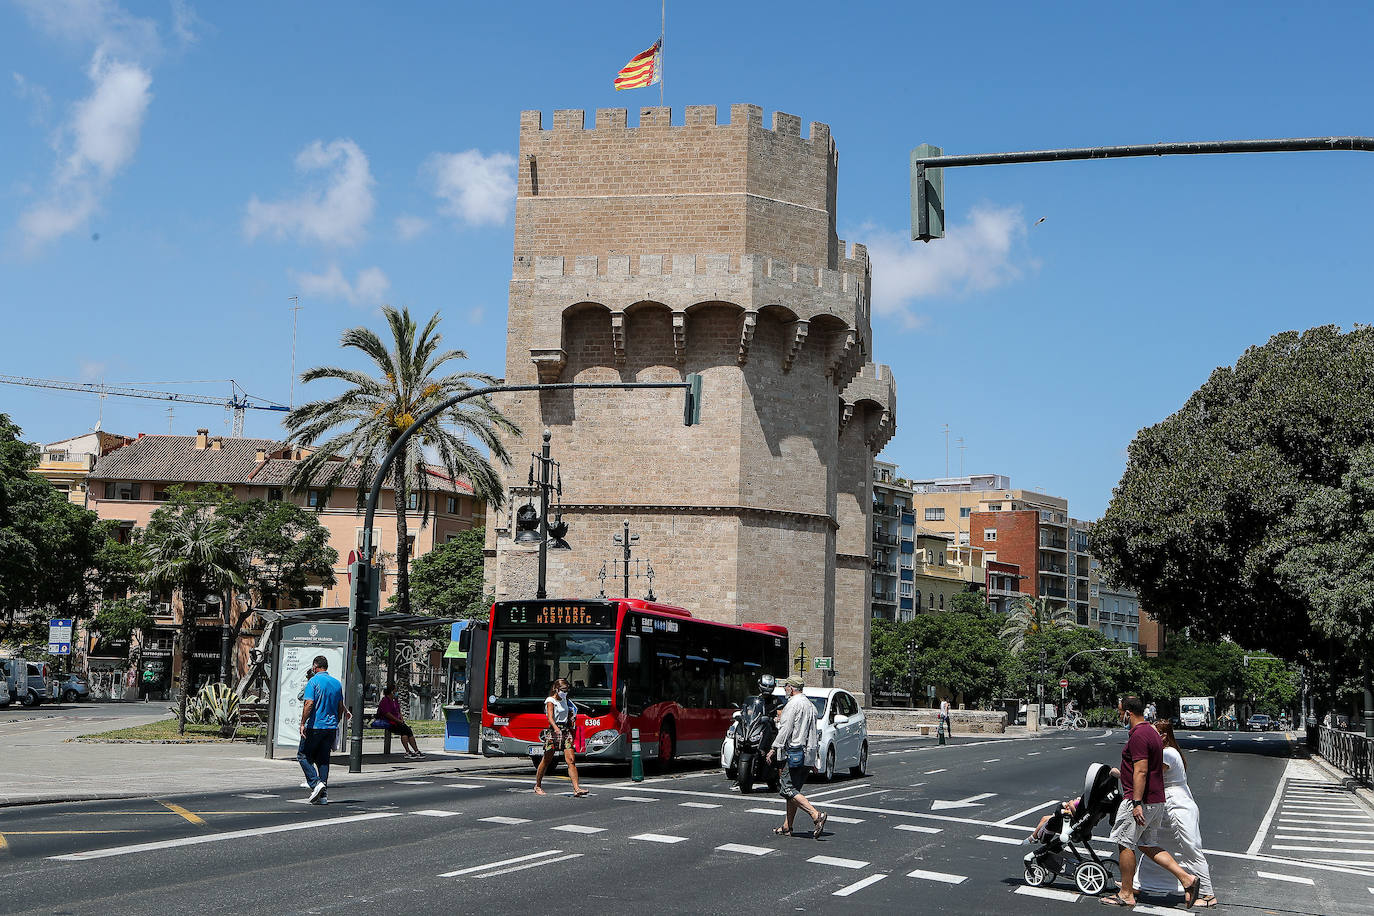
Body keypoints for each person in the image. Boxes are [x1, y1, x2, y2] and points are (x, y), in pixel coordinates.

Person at [1101, 695, 1200, 908]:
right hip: (1157, 800)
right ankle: (1187, 879)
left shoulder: (1139, 735)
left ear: (1128, 712)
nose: (1120, 716)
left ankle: (1126, 893)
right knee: (1147, 844)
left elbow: (1141, 770)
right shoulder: (1153, 733)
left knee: (1125, 843)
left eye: (1120, 712)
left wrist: (1136, 802)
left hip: (1141, 800)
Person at [1136, 720, 1219, 907]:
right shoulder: (1168, 752)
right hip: (1171, 805)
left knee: (1190, 848)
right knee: (1154, 846)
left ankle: (1207, 894)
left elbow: (1149, 775)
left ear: (1163, 736)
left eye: (1153, 734)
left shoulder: (1167, 754)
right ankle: (1138, 884)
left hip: (1177, 806)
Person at [766, 675, 827, 838]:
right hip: (808, 755)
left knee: (787, 788)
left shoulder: (792, 705)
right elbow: (814, 733)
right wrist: (814, 759)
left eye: (786, 686)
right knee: (793, 791)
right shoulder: (811, 706)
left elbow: (785, 729)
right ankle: (788, 827)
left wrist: (774, 747)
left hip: (795, 753)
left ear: (791, 688)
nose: (785, 689)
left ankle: (816, 815)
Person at [298, 655, 349, 805]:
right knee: (323, 760)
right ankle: (323, 795)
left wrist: (302, 723)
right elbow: (340, 707)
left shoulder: (313, 682)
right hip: (330, 727)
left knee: (303, 756)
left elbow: (309, 703)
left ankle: (315, 783)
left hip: (315, 726)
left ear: (315, 667)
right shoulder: (336, 684)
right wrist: (336, 721)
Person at [534, 677, 587, 797]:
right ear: (556, 689)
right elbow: (550, 717)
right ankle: (538, 785)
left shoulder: (565, 699)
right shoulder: (550, 700)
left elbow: (568, 712)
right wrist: (556, 729)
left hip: (565, 730)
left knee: (571, 760)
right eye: (563, 689)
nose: (565, 691)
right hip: (554, 731)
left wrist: (571, 718)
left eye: (567, 689)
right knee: (547, 760)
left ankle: (576, 788)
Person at [375, 685, 423, 760]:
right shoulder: (385, 701)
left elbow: (398, 711)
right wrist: (398, 721)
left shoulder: (395, 700)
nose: (396, 693)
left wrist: (401, 720)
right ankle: (408, 751)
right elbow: (387, 714)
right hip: (389, 722)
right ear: (391, 692)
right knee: (404, 731)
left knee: (407, 731)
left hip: (397, 722)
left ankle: (415, 751)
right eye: (395, 691)